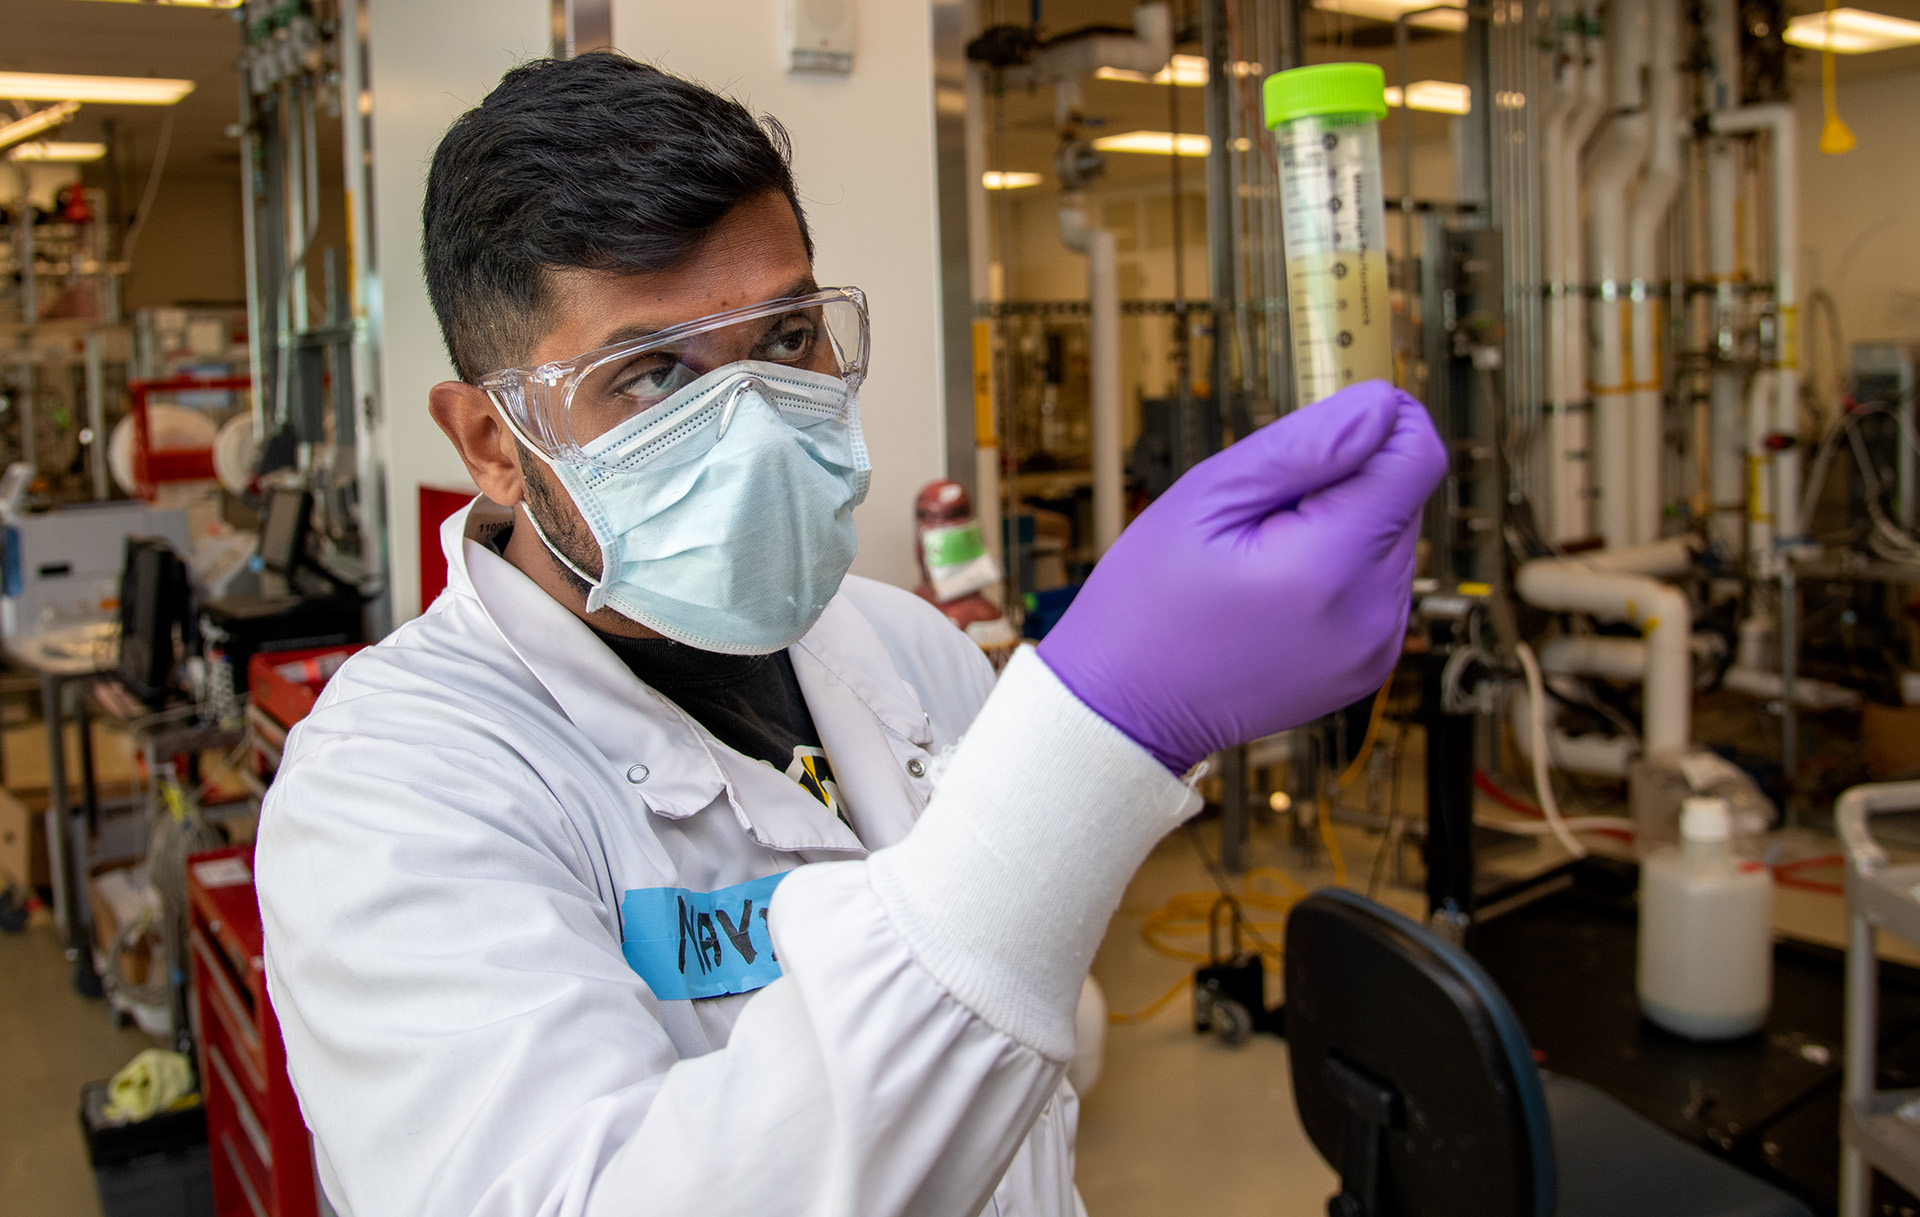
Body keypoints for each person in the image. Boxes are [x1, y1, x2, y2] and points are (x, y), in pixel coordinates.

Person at [255, 51, 1444, 1217]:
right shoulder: (394, 788)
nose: (757, 430)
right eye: (653, 374)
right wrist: (1100, 736)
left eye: (786, 339)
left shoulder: (906, 649)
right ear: (492, 442)